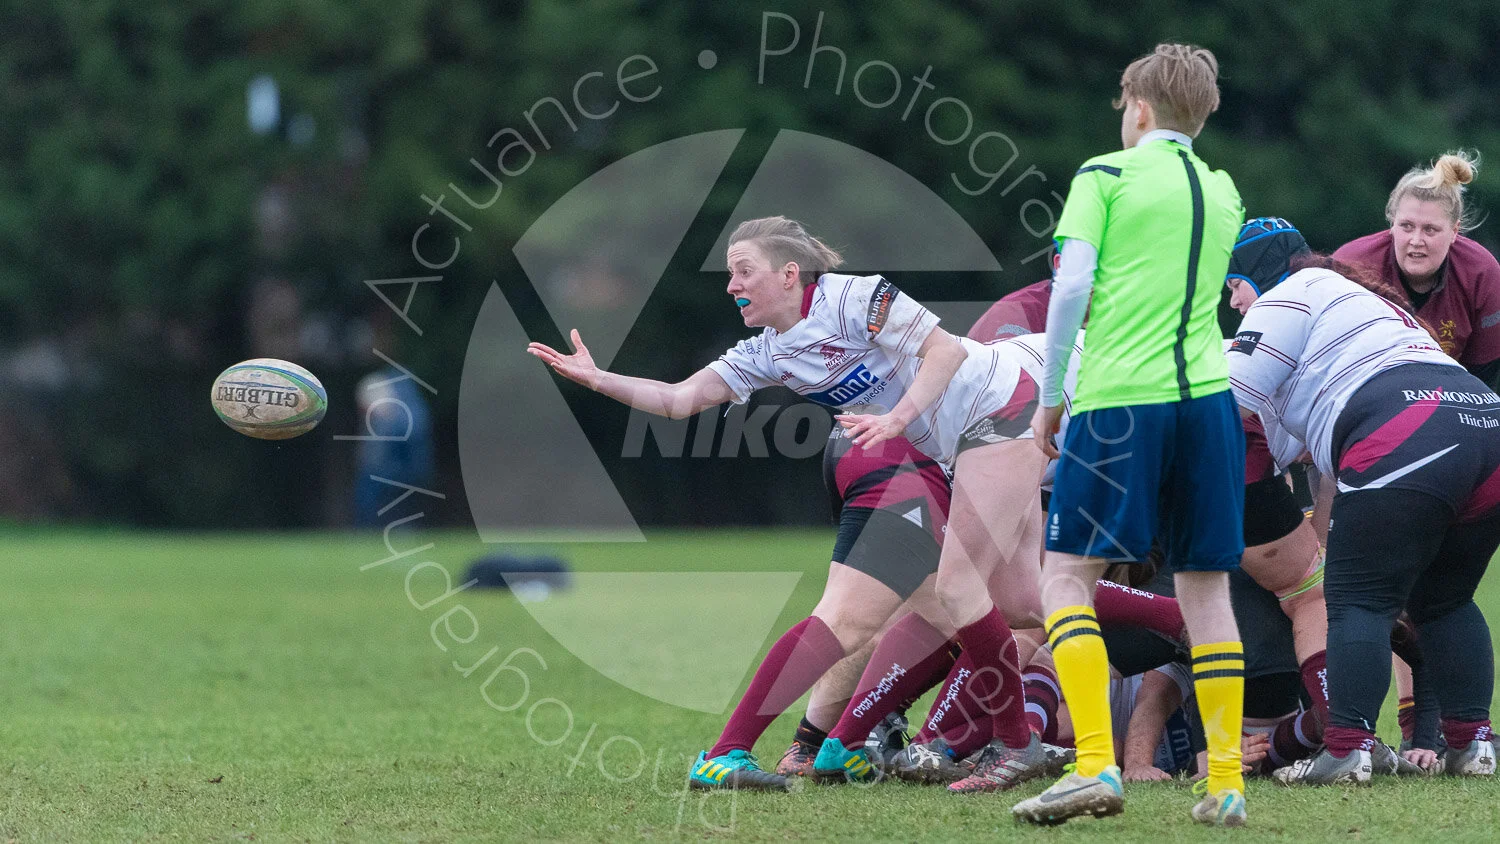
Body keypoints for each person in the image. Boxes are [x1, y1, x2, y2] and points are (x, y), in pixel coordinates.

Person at [529, 216, 1055, 790]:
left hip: (1007, 404)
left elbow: (945, 352)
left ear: (788, 274)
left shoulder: (855, 296)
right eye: (730, 273)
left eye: (742, 271)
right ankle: (740, 754)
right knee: (1016, 601)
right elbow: (679, 400)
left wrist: (898, 419)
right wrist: (597, 378)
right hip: (965, 443)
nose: (731, 285)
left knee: (969, 593)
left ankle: (1023, 742)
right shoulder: (769, 351)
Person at [1013, 43, 1249, 828]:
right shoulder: (1223, 190)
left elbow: (1072, 283)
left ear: (1138, 108)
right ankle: (1224, 784)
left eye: (1123, 107)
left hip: (1120, 403)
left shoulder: (1103, 175)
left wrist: (1051, 398)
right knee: (1208, 592)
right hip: (1210, 406)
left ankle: (1092, 769)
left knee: (1063, 579)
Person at [1222, 222, 1500, 785]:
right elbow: (1289, 439)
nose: (1232, 301)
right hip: (1484, 420)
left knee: (1355, 601)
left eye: (1233, 284)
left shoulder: (1288, 294)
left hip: (1408, 426)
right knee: (1445, 599)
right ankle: (1473, 744)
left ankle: (1347, 749)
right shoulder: (1363, 303)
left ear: (1259, 276)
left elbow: (1224, 401)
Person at [1332, 152, 1500, 387]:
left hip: (1448, 394)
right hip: (1361, 390)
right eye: (1407, 226)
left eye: (1430, 230)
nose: (1416, 240)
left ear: (1454, 231)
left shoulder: (1482, 273)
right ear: (1392, 224)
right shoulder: (1349, 266)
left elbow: (1483, 374)